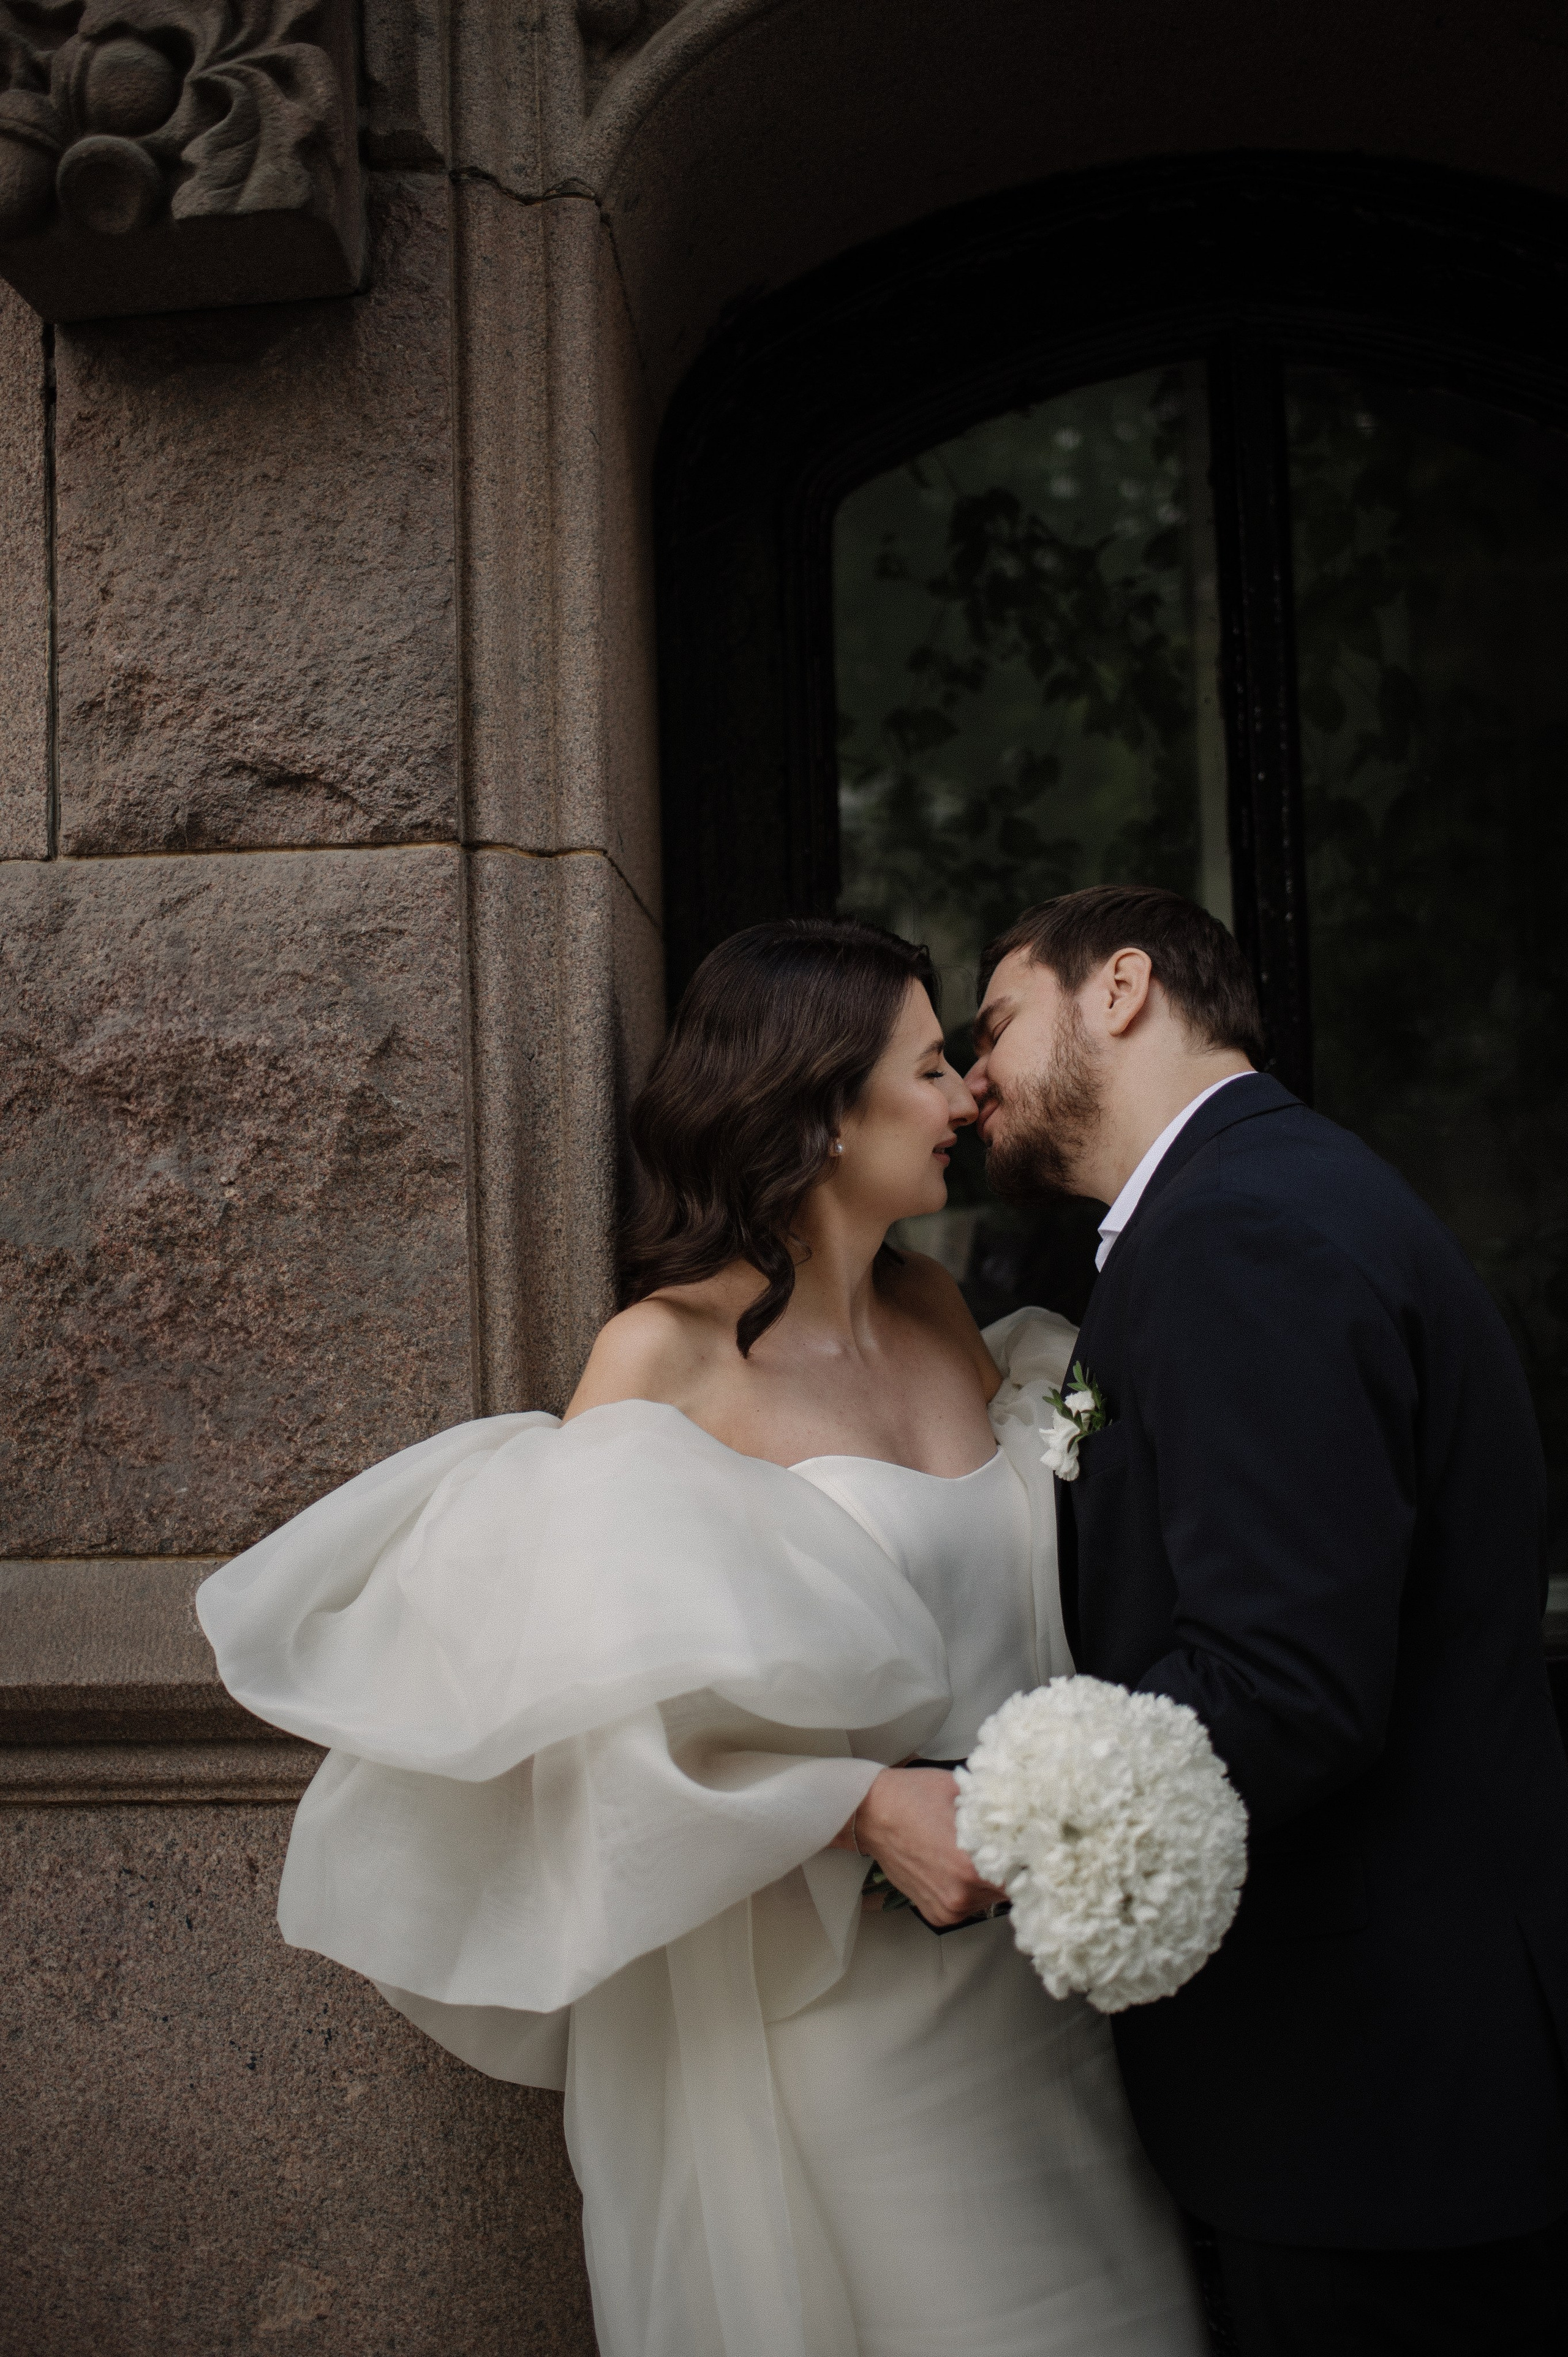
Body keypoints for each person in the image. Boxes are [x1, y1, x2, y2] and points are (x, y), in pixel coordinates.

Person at [197, 916, 1207, 2357]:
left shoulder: (940, 1310)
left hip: (1039, 1991)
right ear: (820, 1105)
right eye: (929, 1067)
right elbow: (576, 1724)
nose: (967, 1094)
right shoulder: (658, 1358)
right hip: (849, 2006)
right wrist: (858, 1805)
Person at [966, 882, 1568, 2357]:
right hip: (1371, 2078)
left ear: (1119, 988)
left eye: (993, 1025)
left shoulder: (1239, 1229)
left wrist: (995, 1826)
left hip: (1368, 2095)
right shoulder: (1256, 1198)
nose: (973, 1079)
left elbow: (1282, 1679)